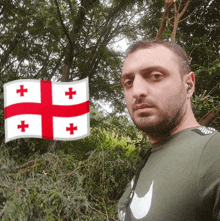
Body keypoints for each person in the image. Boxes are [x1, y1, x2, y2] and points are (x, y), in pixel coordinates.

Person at [118, 39, 220, 221]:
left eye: (155, 76)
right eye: (128, 82)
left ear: (189, 85)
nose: (137, 91)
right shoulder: (153, 155)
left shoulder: (213, 152)